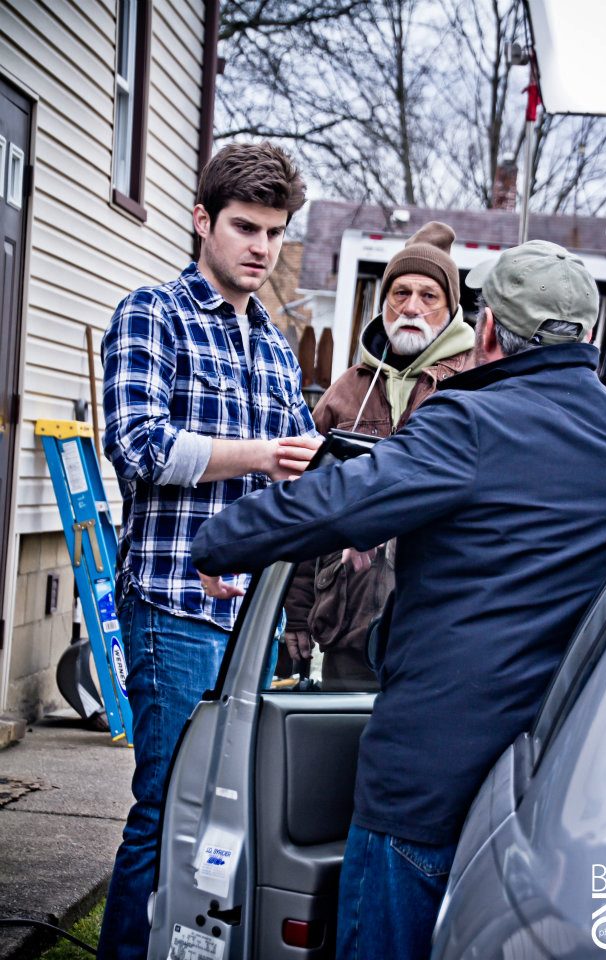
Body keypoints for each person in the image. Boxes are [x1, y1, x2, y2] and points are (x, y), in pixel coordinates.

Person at [192, 239, 606, 960]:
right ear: (587, 337)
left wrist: (220, 542)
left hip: (427, 776)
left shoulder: (469, 426)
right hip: (554, 779)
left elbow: (337, 501)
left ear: (487, 329)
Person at [98, 142, 319, 960]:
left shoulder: (274, 343)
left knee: (225, 815)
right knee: (165, 809)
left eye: (274, 231)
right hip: (172, 606)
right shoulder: (151, 314)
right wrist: (260, 453)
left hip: (249, 619)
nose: (260, 247)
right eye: (245, 227)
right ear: (203, 221)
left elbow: (292, 480)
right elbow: (139, 446)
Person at [285, 222, 474, 690]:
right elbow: (308, 506)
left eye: (429, 296)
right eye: (400, 293)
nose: (412, 307)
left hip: (441, 635)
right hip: (347, 628)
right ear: (383, 302)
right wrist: (295, 610)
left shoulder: (478, 387)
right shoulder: (344, 394)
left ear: (452, 310)